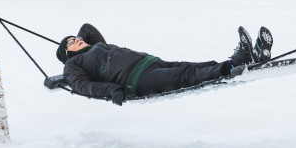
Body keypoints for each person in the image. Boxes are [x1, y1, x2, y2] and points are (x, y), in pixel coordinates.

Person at [55, 23, 273, 105]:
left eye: (75, 38)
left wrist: (75, 41)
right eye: (72, 42)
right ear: (67, 54)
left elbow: (86, 28)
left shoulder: (95, 46)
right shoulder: (72, 66)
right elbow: (83, 87)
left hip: (149, 62)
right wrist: (111, 90)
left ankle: (241, 60)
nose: (78, 39)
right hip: (134, 80)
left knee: (192, 68)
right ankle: (234, 67)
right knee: (185, 78)